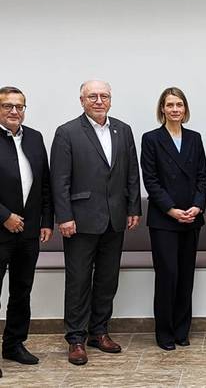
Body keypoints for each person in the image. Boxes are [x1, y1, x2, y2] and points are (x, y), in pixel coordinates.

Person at [50, 80, 141, 365]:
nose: (99, 100)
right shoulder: (67, 132)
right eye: (93, 96)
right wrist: (64, 217)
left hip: (115, 219)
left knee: (107, 279)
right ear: (82, 100)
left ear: (110, 100)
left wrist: (133, 208)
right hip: (79, 221)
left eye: (104, 96)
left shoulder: (123, 130)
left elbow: (131, 174)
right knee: (78, 282)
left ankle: (99, 332)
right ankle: (76, 338)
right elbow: (59, 180)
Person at [141, 87, 206, 351]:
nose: (175, 109)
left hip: (191, 218)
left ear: (185, 109)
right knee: (167, 275)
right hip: (164, 220)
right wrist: (170, 209)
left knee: (185, 276)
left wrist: (197, 206)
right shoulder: (151, 139)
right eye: (170, 105)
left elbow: (202, 176)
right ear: (162, 110)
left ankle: (182, 330)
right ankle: (165, 333)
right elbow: (151, 180)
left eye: (179, 105)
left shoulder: (195, 138)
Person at [0, 87, 53, 375]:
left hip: (29, 232)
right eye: (8, 106)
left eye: (19, 106)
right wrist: (5, 216)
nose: (14, 111)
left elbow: (44, 182)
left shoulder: (34, 137)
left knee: (21, 291)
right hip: (1, 228)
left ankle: (14, 345)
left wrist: (46, 220)